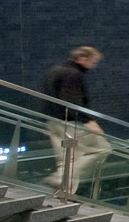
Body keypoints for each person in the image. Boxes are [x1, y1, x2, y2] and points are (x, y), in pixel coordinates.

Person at [41, 45, 110, 192]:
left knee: (68, 160)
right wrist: (88, 121)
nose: (93, 66)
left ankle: (62, 197)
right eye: (92, 62)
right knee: (101, 149)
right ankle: (60, 178)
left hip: (53, 122)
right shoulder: (72, 74)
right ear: (82, 59)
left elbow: (46, 98)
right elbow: (71, 101)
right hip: (71, 123)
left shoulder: (55, 70)